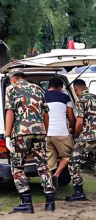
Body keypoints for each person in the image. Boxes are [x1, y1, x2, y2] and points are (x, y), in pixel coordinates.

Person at [4, 71, 56, 213]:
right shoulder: (38, 89)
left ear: (13, 79)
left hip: (21, 133)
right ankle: (50, 202)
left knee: (17, 167)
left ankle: (26, 202)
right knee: (43, 165)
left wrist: (7, 135)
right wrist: (45, 132)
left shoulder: (11, 89)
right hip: (39, 131)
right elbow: (46, 113)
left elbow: (10, 112)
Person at [65, 79, 96, 201]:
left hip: (86, 138)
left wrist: (76, 134)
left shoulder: (80, 100)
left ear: (76, 89)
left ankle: (79, 192)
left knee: (73, 163)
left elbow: (79, 122)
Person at [45, 77, 75, 189]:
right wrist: (72, 127)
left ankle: (49, 183)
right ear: (60, 87)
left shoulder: (42, 97)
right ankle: (57, 175)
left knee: (49, 161)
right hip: (61, 132)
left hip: (47, 133)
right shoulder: (66, 98)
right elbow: (71, 117)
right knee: (68, 155)